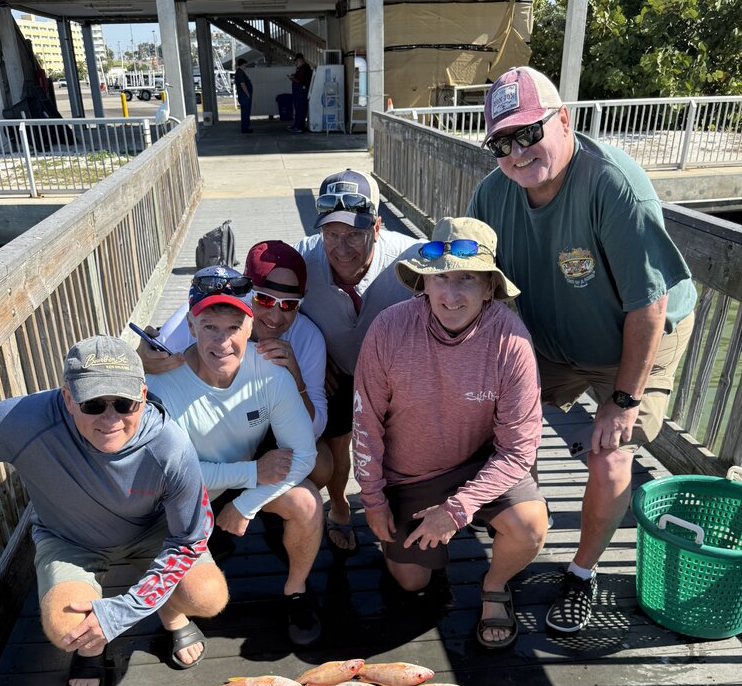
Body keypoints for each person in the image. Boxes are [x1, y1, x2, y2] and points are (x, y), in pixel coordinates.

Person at [468, 66, 696, 634]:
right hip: (552, 335)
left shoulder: (613, 185)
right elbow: (480, 285)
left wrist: (623, 400)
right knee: (486, 409)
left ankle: (581, 573)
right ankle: (517, 517)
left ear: (564, 121)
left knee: (610, 452)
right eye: (501, 142)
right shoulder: (491, 193)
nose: (517, 153)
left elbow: (649, 306)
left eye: (529, 133)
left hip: (637, 337)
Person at [0, 336, 227, 686]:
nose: (110, 418)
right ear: (68, 399)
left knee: (207, 595)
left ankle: (171, 613)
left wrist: (123, 611)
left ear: (143, 396)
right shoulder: (22, 421)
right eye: (93, 404)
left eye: (124, 403)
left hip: (152, 534)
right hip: (70, 541)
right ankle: (91, 647)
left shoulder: (171, 446)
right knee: (66, 626)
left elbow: (188, 540)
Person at [353, 217, 548, 648]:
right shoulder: (388, 328)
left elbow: (518, 450)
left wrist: (457, 509)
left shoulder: (511, 340)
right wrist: (373, 499)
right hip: (411, 473)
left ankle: (494, 585)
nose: (451, 294)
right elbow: (365, 424)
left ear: (489, 288)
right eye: (440, 278)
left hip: (482, 463)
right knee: (410, 583)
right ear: (423, 282)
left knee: (531, 526)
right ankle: (427, 558)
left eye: (467, 279)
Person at [145, 281, 324, 648]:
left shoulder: (270, 370)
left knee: (307, 503)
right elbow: (171, 477)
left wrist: (245, 505)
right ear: (191, 326)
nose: (222, 341)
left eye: (233, 328)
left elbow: (304, 454)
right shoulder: (161, 385)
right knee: (201, 596)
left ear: (250, 327)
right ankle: (174, 616)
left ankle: (296, 591)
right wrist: (252, 473)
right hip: (184, 498)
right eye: (210, 326)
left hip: (237, 485)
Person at [295, 168, 421, 557]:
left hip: (394, 371)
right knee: (336, 448)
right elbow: (259, 305)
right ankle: (340, 507)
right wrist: (307, 354)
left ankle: (397, 508)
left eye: (354, 234)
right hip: (334, 367)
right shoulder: (301, 257)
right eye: (331, 234)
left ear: (377, 227)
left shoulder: (412, 257)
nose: (341, 247)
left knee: (399, 446)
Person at [143, 245, 332, 489]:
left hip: (271, 428)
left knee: (321, 464)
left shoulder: (308, 338)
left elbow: (314, 430)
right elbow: (152, 361)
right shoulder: (196, 317)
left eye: (289, 305)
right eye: (264, 300)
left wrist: (297, 380)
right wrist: (142, 356)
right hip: (211, 436)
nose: (275, 317)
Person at [288, 53, 312, 134]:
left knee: (300, 110)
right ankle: (296, 125)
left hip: (302, 92)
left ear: (300, 59)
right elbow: (298, 77)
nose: (296, 62)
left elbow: (299, 80)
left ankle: (299, 127)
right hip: (299, 92)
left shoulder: (304, 68)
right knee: (298, 109)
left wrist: (292, 78)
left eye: (297, 61)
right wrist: (294, 75)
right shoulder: (301, 68)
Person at [234, 58, 253, 134]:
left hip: (243, 96)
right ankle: (245, 128)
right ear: (242, 65)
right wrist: (248, 94)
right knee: (245, 113)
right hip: (244, 96)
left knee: (246, 112)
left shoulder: (239, 72)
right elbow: (243, 84)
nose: (246, 67)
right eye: (245, 65)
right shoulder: (240, 73)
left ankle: (246, 127)